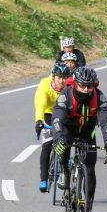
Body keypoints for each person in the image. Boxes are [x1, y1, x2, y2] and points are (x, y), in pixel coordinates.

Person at [52, 66, 107, 212]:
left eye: (90, 86)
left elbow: (106, 121)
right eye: (82, 86)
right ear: (75, 84)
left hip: (87, 132)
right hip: (68, 129)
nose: (86, 89)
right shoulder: (65, 95)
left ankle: (88, 208)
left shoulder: (100, 98)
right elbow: (57, 119)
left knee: (90, 169)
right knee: (63, 148)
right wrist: (58, 139)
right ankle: (65, 172)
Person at [34, 63, 71, 193]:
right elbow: (40, 104)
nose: (62, 80)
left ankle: (65, 166)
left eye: (64, 77)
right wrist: (39, 121)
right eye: (59, 77)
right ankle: (43, 179)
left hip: (64, 114)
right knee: (47, 144)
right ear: (53, 77)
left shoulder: (69, 86)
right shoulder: (45, 84)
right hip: (48, 113)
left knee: (66, 141)